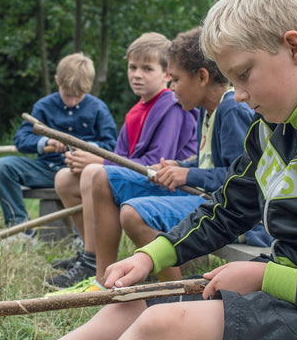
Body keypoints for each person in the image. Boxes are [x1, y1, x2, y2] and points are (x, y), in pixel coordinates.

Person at [0, 0, 297, 340]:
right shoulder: (270, 130)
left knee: (163, 325)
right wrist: (150, 256)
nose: (237, 94)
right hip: (288, 299)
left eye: (243, 74)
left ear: (295, 47)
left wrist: (264, 277)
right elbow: (227, 210)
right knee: (130, 307)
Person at [45, 26, 271, 293]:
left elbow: (242, 179)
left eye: (175, 79)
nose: (172, 88)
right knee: (113, 188)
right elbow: (211, 164)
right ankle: (103, 276)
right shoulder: (208, 111)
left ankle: (176, 291)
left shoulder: (230, 109)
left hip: (234, 216)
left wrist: (188, 175)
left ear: (201, 78)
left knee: (133, 212)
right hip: (208, 198)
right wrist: (182, 166)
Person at [45, 31, 199, 288]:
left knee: (96, 173)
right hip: (139, 179)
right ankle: (88, 254)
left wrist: (100, 161)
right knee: (64, 179)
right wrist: (98, 161)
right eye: (132, 67)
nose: (137, 74)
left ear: (167, 73)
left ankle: (98, 268)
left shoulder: (172, 107)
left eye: (147, 68)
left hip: (171, 188)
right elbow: (123, 158)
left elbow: (155, 162)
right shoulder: (135, 111)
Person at [0, 53, 118, 241]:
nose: (72, 101)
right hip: (45, 170)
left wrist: (87, 149)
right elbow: (21, 139)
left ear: (88, 87)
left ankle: (82, 239)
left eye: (78, 96)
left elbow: (111, 145)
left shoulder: (98, 108)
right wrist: (46, 142)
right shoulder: (44, 106)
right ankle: (20, 231)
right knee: (2, 166)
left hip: (78, 174)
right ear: (57, 80)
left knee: (92, 177)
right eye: (67, 95)